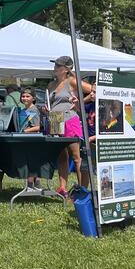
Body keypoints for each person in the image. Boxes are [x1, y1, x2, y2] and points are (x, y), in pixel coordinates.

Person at [45, 56, 91, 196]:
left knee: (76, 156)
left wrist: (80, 102)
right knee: (61, 156)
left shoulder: (71, 81)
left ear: (66, 69)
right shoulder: (51, 85)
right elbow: (51, 103)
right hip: (55, 119)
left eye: (58, 66)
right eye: (55, 65)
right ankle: (62, 188)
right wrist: (46, 109)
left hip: (70, 119)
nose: (55, 68)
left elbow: (92, 90)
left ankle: (82, 190)